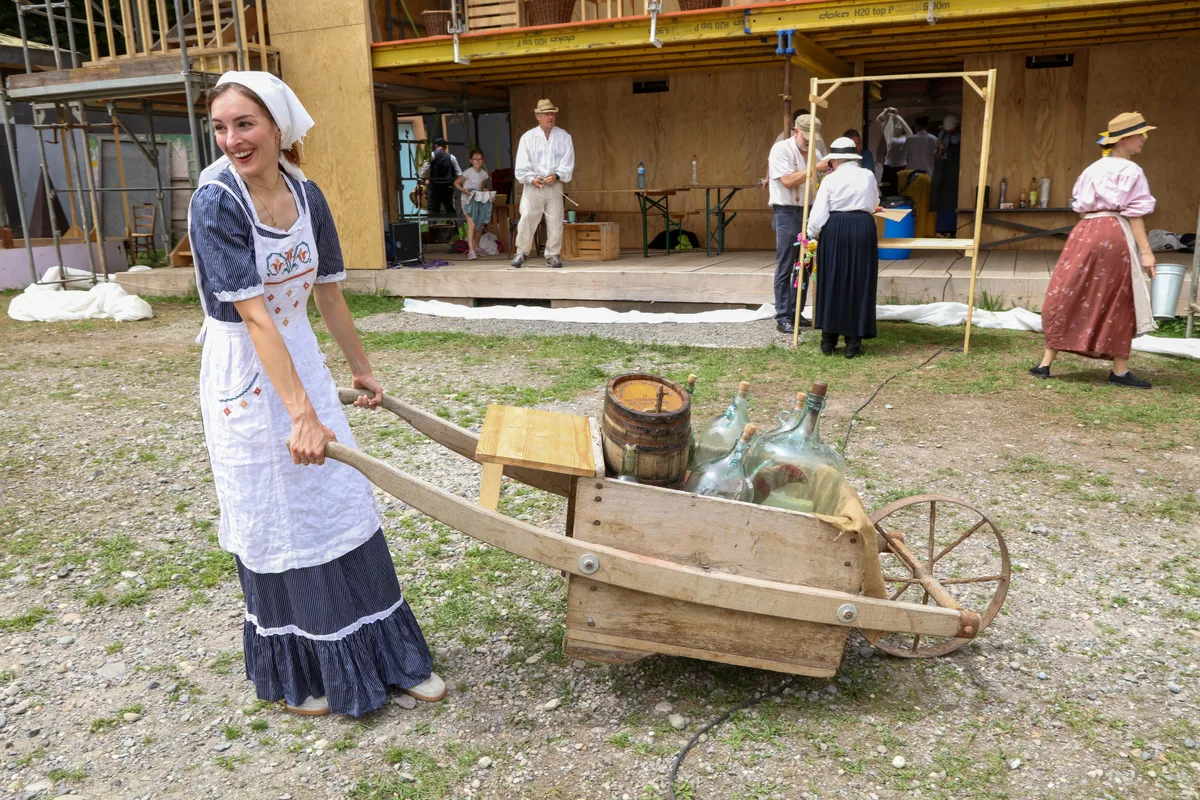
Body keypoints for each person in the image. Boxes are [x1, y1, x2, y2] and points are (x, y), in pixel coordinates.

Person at [189, 71, 444, 718]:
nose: (232, 140)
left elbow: (328, 291)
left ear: (277, 126)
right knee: (277, 512)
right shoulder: (216, 200)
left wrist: (361, 369)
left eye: (244, 124)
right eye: (220, 127)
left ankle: (389, 655)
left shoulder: (308, 193)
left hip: (295, 347)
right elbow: (253, 317)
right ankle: (305, 669)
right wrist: (299, 413)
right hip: (247, 369)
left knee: (338, 497)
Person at [1030, 112, 1158, 388]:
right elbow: (1135, 213)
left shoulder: (1092, 168)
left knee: (1071, 290)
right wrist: (1146, 251)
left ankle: (1045, 364)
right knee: (1119, 297)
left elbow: (1080, 204)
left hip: (1085, 231)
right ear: (1125, 139)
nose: (1144, 140)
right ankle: (1120, 372)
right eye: (1141, 135)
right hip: (1113, 232)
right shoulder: (1132, 170)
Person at [807, 136, 881, 359]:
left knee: (832, 280)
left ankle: (828, 340)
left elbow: (819, 212)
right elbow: (874, 203)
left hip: (835, 228)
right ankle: (853, 343)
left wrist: (811, 234)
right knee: (859, 282)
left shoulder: (830, 179)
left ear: (835, 161)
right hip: (862, 227)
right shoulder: (867, 175)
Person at [768, 114, 829, 333]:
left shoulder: (815, 153)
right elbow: (787, 181)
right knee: (786, 264)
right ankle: (783, 315)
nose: (810, 142)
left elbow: (818, 182)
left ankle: (796, 311)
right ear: (796, 131)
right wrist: (816, 168)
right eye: (807, 137)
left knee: (805, 263)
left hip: (809, 211)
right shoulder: (781, 150)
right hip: (787, 212)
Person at [512, 98, 575, 268]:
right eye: (546, 114)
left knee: (555, 221)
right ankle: (522, 252)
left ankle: (553, 255)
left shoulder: (564, 136)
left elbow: (567, 161)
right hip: (533, 185)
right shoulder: (528, 137)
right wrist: (531, 178)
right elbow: (521, 165)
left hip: (554, 185)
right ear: (537, 116)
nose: (550, 117)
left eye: (552, 114)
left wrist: (557, 175)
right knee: (527, 218)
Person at [454, 148, 493, 260]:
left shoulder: (484, 174)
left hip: (478, 200)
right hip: (467, 201)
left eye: (480, 159)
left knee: (480, 226)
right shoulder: (467, 172)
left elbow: (482, 187)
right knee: (471, 224)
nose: (478, 162)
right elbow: (456, 183)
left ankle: (477, 246)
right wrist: (464, 190)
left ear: (483, 160)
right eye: (475, 160)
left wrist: (486, 191)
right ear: (471, 161)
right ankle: (471, 251)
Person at [930, 115, 961, 234]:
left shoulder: (962, 135)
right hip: (944, 171)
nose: (950, 132)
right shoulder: (942, 135)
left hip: (957, 172)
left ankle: (956, 229)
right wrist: (940, 150)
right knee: (943, 201)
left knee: (956, 201)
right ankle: (944, 229)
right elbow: (936, 157)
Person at [420, 137, 461, 218]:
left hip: (434, 187)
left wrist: (425, 178)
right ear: (445, 146)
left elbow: (424, 172)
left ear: (436, 146)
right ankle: (453, 229)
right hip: (448, 188)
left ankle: (434, 228)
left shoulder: (431, 155)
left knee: (433, 209)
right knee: (449, 209)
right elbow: (459, 173)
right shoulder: (451, 157)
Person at [875, 107, 911, 196]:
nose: (897, 126)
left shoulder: (906, 136)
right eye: (895, 124)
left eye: (899, 124)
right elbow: (878, 120)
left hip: (902, 166)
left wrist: (898, 116)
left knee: (901, 190)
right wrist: (885, 111)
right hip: (889, 166)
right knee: (887, 190)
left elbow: (910, 132)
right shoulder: (888, 134)